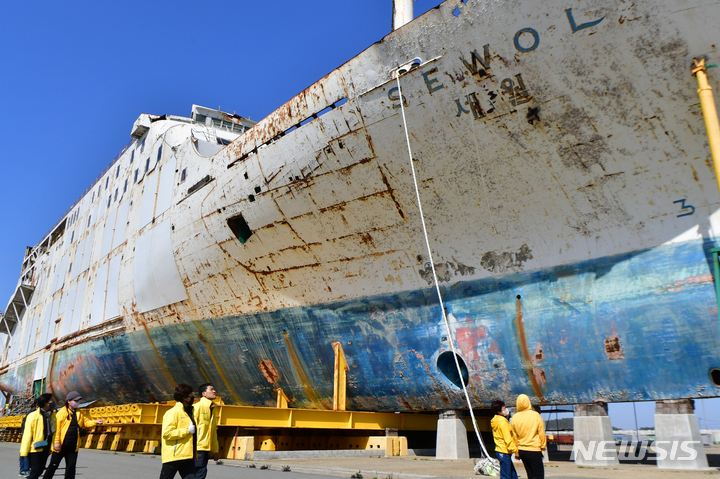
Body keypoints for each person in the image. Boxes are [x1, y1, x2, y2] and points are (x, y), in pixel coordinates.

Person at [42, 391, 104, 479]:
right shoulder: (62, 412)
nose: (77, 403)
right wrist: (56, 442)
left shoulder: (79, 412)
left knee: (71, 468)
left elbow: (85, 422)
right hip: (61, 446)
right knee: (53, 466)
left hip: (73, 446)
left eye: (78, 401)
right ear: (69, 401)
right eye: (75, 401)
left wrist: (95, 422)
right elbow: (57, 429)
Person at [160, 384, 197, 479]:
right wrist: (187, 431)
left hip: (188, 456)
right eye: (191, 395)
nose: (193, 397)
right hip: (174, 455)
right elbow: (167, 434)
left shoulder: (189, 412)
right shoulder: (173, 412)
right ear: (185, 398)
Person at [20, 394, 56, 479]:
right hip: (35, 448)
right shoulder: (33, 416)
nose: (53, 402)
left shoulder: (52, 415)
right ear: (45, 403)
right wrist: (24, 452)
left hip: (46, 447)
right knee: (36, 471)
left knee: (40, 470)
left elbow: (54, 432)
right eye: (51, 400)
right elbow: (27, 434)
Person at [511, 394, 546, 479]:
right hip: (534, 449)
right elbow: (541, 433)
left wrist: (517, 451)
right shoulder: (535, 415)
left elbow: (514, 436)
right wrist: (542, 448)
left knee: (530, 475)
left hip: (522, 450)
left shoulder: (515, 417)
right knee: (538, 475)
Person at [193, 383, 219, 479]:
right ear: (204, 393)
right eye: (211, 389)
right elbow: (192, 427)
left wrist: (215, 450)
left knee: (200, 473)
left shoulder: (212, 408)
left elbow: (212, 432)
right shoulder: (198, 407)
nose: (214, 391)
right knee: (199, 473)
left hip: (205, 448)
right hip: (198, 447)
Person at [490, 400, 518, 479]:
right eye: (504, 408)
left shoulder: (495, 421)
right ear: (499, 411)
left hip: (500, 451)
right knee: (506, 476)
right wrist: (516, 450)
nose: (506, 409)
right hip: (504, 451)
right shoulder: (503, 423)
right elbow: (507, 439)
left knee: (513, 475)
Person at [19, 399, 38, 477]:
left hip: (27, 435)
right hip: (28, 436)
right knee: (25, 453)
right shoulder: (32, 414)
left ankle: (24, 469)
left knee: (25, 453)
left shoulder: (30, 413)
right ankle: (25, 470)